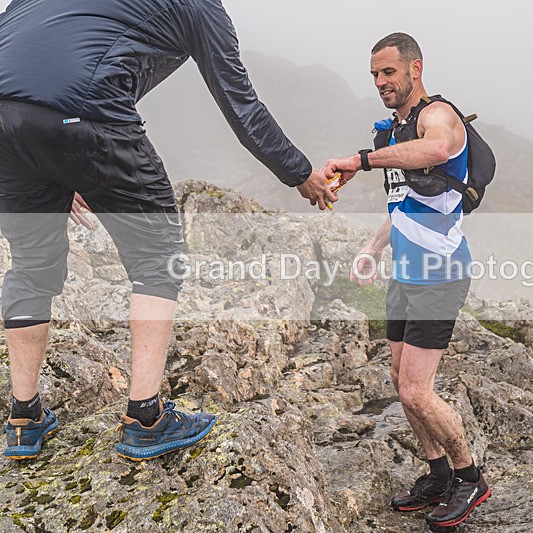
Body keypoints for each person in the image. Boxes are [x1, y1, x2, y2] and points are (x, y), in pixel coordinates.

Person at [0, 0, 337, 462]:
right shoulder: (200, 6)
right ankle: (146, 417)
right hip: (85, 110)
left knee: (32, 267)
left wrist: (49, 158)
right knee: (158, 256)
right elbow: (242, 106)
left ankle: (24, 419)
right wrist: (300, 173)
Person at [324, 33, 491, 529]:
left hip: (440, 272)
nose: (380, 82)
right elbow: (404, 205)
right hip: (405, 273)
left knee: (418, 391)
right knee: (399, 382)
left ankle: (469, 476)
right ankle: (438, 474)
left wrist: (360, 159)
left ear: (415, 69)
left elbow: (438, 148)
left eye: (388, 72)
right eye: (374, 75)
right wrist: (372, 249)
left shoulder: (438, 116)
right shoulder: (393, 132)